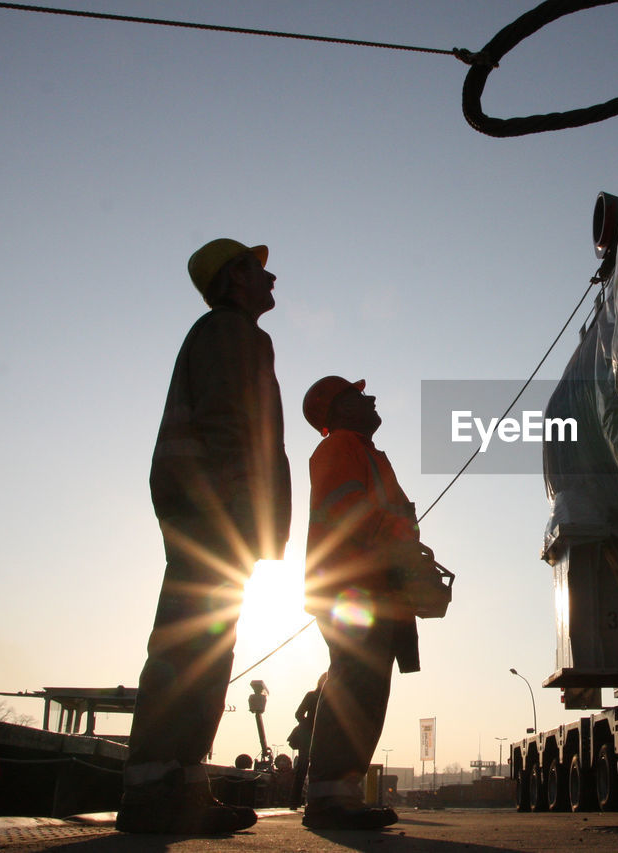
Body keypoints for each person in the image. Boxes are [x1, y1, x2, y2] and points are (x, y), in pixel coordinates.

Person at [117, 238, 292, 835]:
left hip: (211, 507)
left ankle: (179, 786)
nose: (272, 279)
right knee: (190, 647)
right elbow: (228, 423)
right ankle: (152, 791)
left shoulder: (234, 334)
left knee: (207, 647)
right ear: (234, 279)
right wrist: (244, 513)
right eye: (259, 269)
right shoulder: (228, 332)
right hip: (213, 509)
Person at [299, 375, 426, 831]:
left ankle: (341, 794)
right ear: (338, 410)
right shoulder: (338, 449)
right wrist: (399, 538)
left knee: (368, 688)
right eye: (358, 394)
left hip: (372, 590)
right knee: (356, 684)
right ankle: (330, 798)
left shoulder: (367, 454)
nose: (370, 397)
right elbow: (344, 508)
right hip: (349, 590)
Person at [288, 672, 327, 808]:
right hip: (312, 737)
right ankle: (301, 801)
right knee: (307, 769)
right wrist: (309, 726)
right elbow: (299, 714)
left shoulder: (321, 697)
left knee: (308, 769)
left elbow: (299, 714)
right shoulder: (315, 697)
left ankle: (301, 801)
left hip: (317, 737)